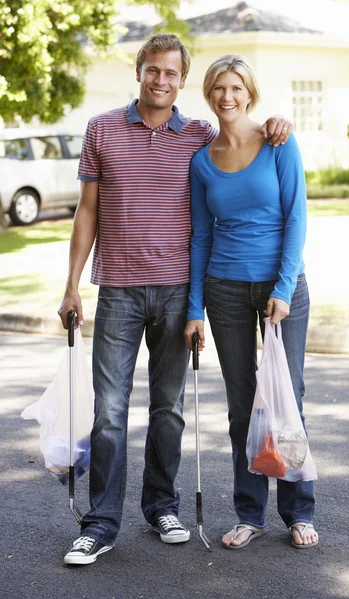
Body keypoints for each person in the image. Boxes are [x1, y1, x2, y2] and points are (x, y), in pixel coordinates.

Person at [58, 34, 292, 566]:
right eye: (152, 70)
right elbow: (87, 211)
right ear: (138, 71)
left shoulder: (200, 135)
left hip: (179, 291)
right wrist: (71, 284)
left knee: (169, 409)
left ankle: (162, 505)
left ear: (183, 80)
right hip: (117, 288)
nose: (161, 80)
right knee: (109, 413)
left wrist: (280, 123)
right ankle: (100, 523)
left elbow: (246, 135)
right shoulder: (102, 129)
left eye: (171, 73)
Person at [184, 54, 318, 550]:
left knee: (289, 399)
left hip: (282, 288)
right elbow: (200, 236)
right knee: (242, 407)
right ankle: (249, 513)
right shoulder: (202, 159)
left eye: (236, 87)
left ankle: (298, 512)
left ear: (250, 93)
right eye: (219, 88)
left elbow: (296, 219)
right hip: (224, 288)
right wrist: (194, 307)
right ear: (210, 94)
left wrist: (282, 289)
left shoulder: (279, 141)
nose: (228, 97)